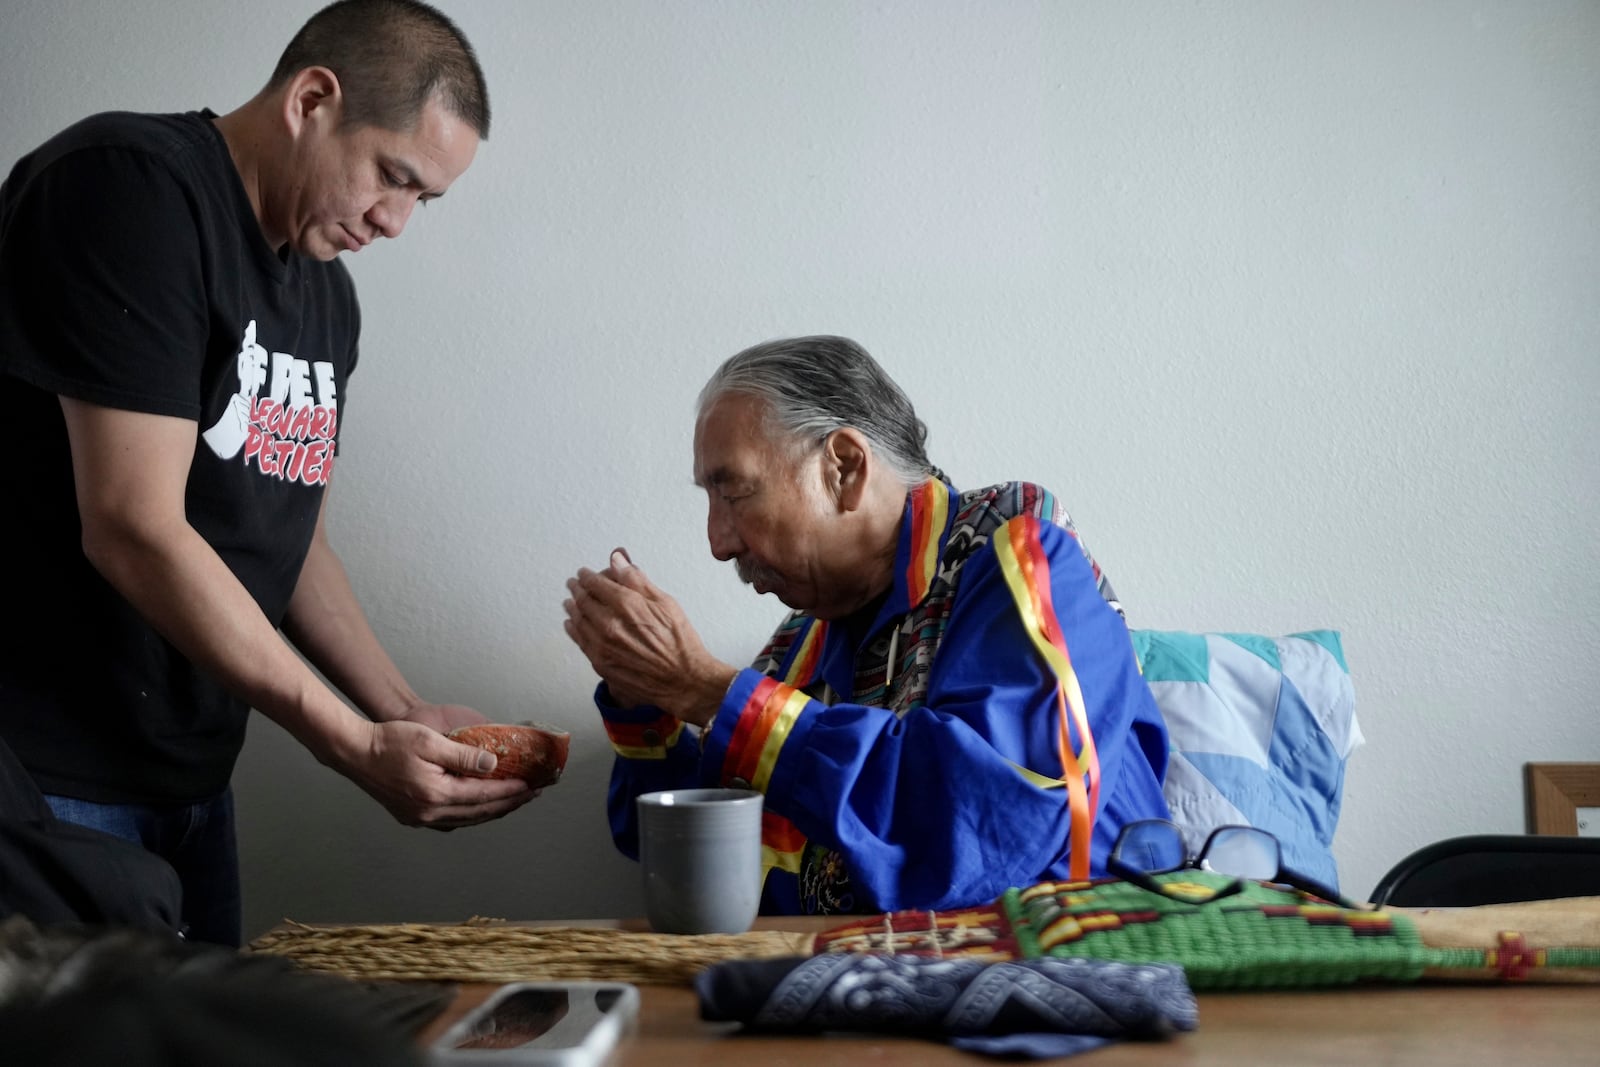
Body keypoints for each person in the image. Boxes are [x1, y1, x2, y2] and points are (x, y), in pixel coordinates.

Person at [0, 0, 534, 947]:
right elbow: (132, 523)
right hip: (47, 781)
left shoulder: (327, 296)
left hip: (194, 779)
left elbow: (293, 533)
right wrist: (352, 744)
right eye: (393, 176)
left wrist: (399, 708)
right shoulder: (129, 188)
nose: (398, 221)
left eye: (426, 199)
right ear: (312, 99)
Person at [563, 335, 1171, 915]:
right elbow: (679, 858)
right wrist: (642, 693)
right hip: (837, 990)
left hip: (1062, 975)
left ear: (845, 468)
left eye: (736, 493)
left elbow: (996, 819)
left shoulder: (1018, 551)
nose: (718, 542)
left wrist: (704, 689)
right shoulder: (800, 642)